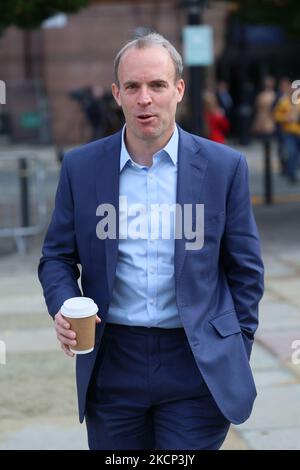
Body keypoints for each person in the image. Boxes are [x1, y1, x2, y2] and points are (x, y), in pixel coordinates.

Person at [38, 32, 264, 450]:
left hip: (196, 364)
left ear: (178, 89)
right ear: (116, 94)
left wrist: (235, 344)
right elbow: (56, 256)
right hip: (111, 361)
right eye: (133, 87)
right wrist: (64, 307)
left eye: (157, 85)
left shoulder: (224, 167)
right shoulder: (81, 167)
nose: (145, 98)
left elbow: (246, 269)